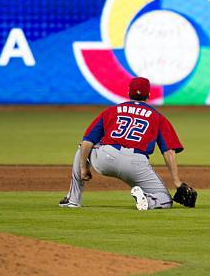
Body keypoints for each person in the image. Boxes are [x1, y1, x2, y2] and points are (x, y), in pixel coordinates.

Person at [59, 77, 192, 210]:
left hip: (106, 158)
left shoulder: (111, 111)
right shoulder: (158, 117)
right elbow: (169, 151)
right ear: (149, 95)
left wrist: (84, 169)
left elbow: (87, 142)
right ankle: (148, 201)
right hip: (136, 164)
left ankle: (73, 200)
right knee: (165, 199)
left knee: (83, 148)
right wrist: (176, 181)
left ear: (129, 93)